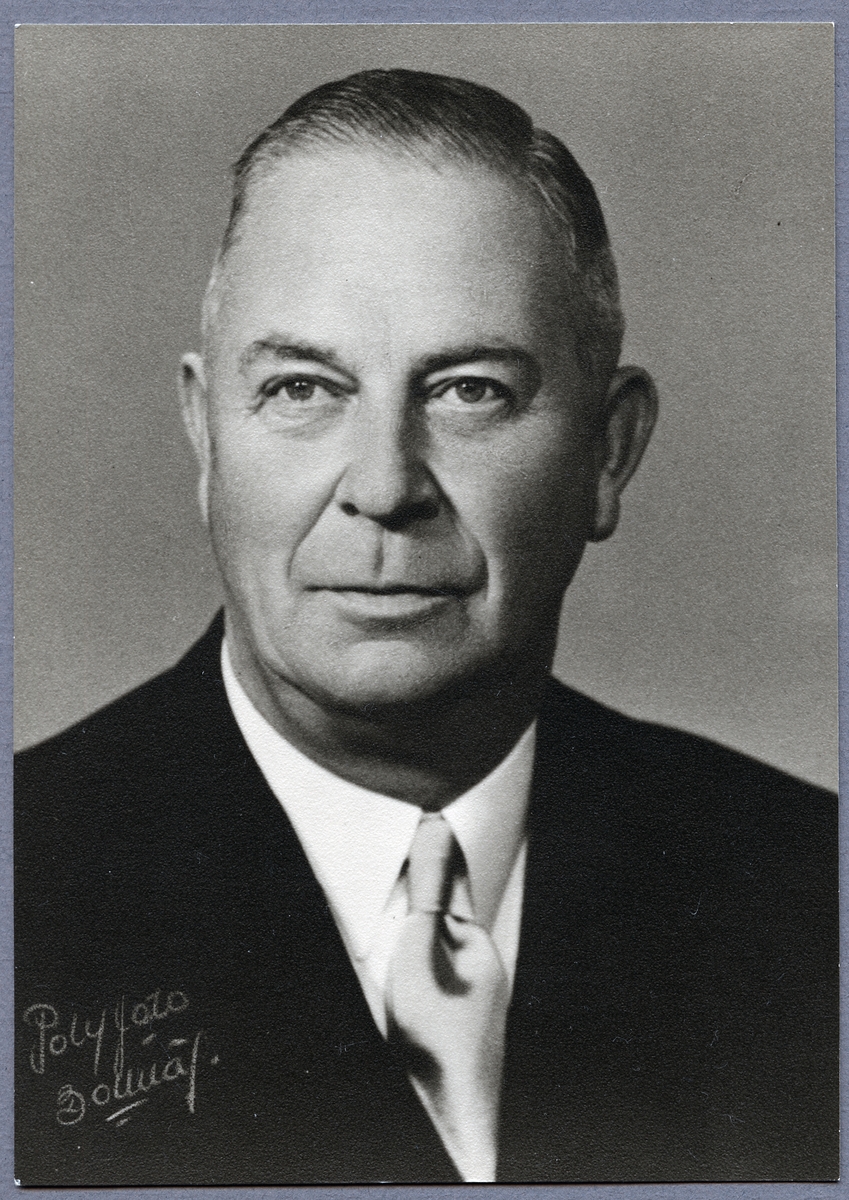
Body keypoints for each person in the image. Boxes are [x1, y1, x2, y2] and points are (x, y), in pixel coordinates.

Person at [14, 69, 837, 1185]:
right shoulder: (27, 880)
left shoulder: (810, 892)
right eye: (303, 389)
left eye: (468, 391)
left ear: (608, 452)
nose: (384, 486)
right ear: (206, 437)